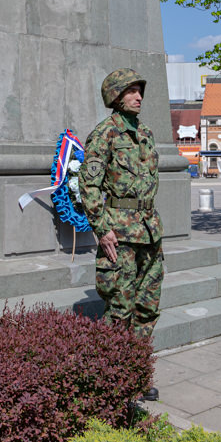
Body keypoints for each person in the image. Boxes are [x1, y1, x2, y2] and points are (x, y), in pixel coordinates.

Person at [81, 70, 165, 399]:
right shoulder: (105, 134)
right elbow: (88, 187)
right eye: (131, 91)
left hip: (150, 231)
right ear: (116, 96)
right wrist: (102, 229)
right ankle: (110, 378)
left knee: (147, 309)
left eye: (139, 91)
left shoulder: (144, 132)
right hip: (120, 233)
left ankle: (137, 374)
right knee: (120, 310)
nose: (138, 97)